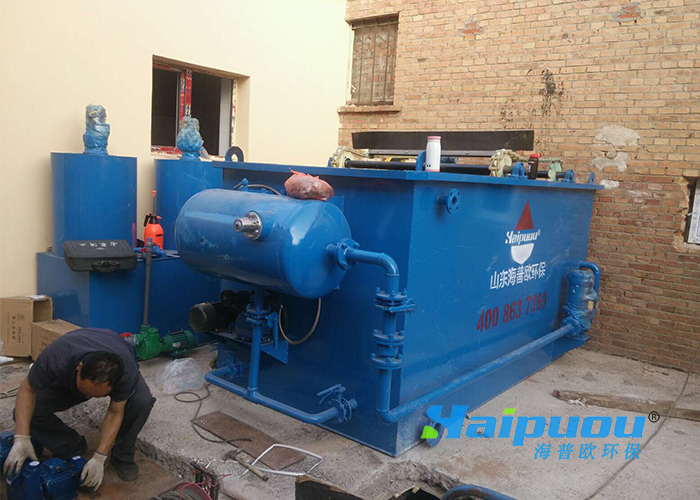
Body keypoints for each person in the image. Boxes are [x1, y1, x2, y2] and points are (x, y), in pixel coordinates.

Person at [2, 328, 156, 490]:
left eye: (96, 395)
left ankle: (122, 456)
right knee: (26, 413)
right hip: (71, 370)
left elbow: (115, 412)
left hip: (116, 354)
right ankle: (72, 446)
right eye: (84, 390)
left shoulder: (125, 373)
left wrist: (100, 457)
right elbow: (27, 390)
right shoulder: (57, 356)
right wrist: (21, 438)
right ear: (79, 368)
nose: (87, 398)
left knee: (142, 402)